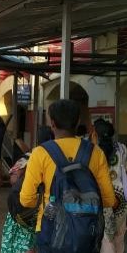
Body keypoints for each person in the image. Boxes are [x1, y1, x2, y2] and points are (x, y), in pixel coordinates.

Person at [20, 100, 117, 252]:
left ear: (52, 123)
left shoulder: (40, 153)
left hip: (49, 231)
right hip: (86, 233)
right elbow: (109, 200)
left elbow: (26, 199)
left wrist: (46, 202)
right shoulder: (96, 152)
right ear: (78, 121)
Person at [0, 126, 54, 253]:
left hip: (24, 209)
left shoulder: (31, 155)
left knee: (13, 243)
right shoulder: (55, 157)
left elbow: (13, 178)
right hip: (42, 209)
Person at [94, 120, 127, 253]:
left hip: (103, 198)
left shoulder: (94, 151)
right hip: (121, 199)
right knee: (119, 236)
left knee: (106, 237)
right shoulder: (122, 148)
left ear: (96, 134)